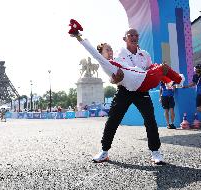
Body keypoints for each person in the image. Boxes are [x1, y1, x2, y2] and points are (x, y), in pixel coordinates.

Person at [68, 19, 170, 164]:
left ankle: (156, 152)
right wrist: (114, 81)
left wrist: (161, 72)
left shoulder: (145, 55)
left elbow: (149, 71)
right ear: (125, 39)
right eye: (130, 35)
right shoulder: (118, 54)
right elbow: (113, 74)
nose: (134, 37)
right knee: (113, 120)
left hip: (142, 91)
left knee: (150, 120)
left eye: (136, 35)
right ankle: (104, 151)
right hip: (124, 91)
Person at [68, 20, 183, 92]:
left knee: (159, 66)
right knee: (164, 68)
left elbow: (146, 68)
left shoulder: (142, 55)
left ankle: (171, 82)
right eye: (107, 50)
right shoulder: (109, 61)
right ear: (101, 54)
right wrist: (79, 36)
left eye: (111, 49)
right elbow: (93, 52)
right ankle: (178, 80)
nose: (111, 52)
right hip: (138, 83)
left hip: (142, 81)